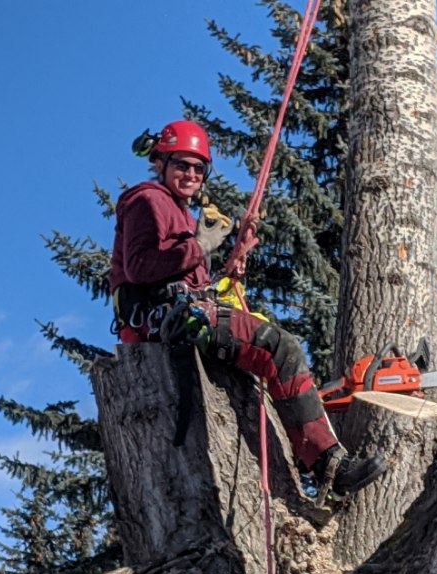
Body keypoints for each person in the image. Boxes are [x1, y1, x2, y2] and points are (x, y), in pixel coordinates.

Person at [109, 119, 387, 498]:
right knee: (279, 347)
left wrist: (229, 263)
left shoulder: (175, 210)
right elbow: (141, 267)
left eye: (197, 168)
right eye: (180, 165)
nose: (190, 174)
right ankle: (329, 466)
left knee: (268, 358)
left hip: (175, 316)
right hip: (166, 321)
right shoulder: (148, 200)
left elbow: (185, 280)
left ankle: (313, 459)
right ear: (160, 163)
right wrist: (201, 246)